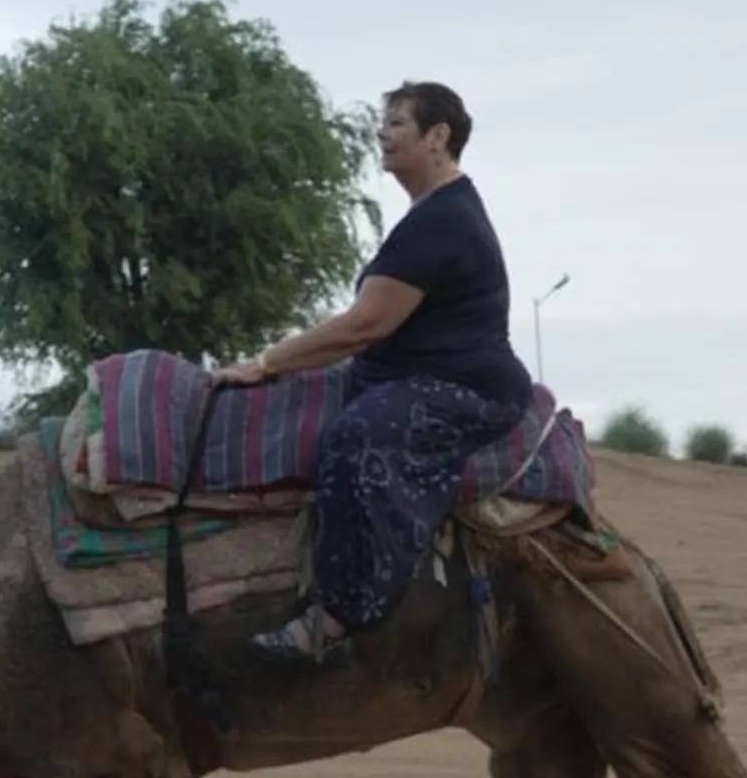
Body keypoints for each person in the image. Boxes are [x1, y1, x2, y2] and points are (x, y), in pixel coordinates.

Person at [216, 81, 532, 663]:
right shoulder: (429, 215)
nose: (381, 135)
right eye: (382, 124)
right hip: (408, 374)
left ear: (438, 137)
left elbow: (364, 326)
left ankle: (341, 617)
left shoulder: (444, 220)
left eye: (396, 124)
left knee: (354, 438)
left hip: (469, 390)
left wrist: (265, 363)